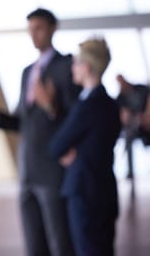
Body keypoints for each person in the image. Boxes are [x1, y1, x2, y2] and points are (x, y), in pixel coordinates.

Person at [0, 8, 79, 256]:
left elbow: (76, 118)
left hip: (52, 167)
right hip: (27, 167)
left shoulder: (68, 66)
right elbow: (23, 121)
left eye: (39, 28)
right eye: (30, 30)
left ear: (52, 28)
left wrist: (51, 107)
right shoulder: (28, 71)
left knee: (59, 240)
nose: (33, 35)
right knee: (33, 241)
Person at [49, 38, 121, 256]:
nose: (72, 68)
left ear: (86, 67)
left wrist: (74, 153)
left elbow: (55, 147)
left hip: (84, 193)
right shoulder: (109, 103)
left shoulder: (86, 105)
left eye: (76, 63)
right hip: (105, 190)